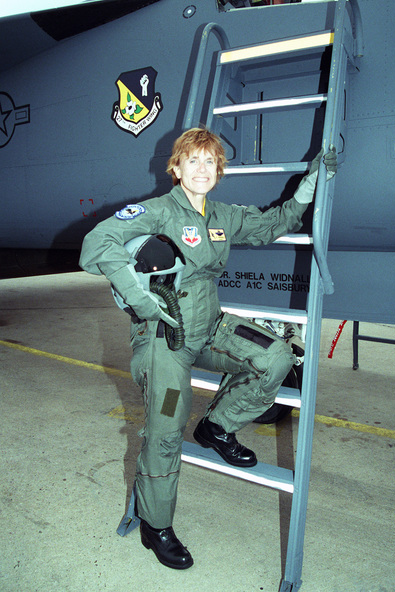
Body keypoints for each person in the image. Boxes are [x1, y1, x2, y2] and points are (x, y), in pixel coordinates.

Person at [79, 128, 337, 570]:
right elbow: (94, 245)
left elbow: (275, 223)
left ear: (219, 170)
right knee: (165, 427)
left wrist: (310, 184)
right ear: (176, 168)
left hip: (210, 326)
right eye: (192, 161)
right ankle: (155, 525)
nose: (202, 169)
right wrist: (138, 298)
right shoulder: (158, 211)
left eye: (210, 162)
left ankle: (217, 427)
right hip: (166, 339)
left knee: (276, 357)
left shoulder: (222, 214)